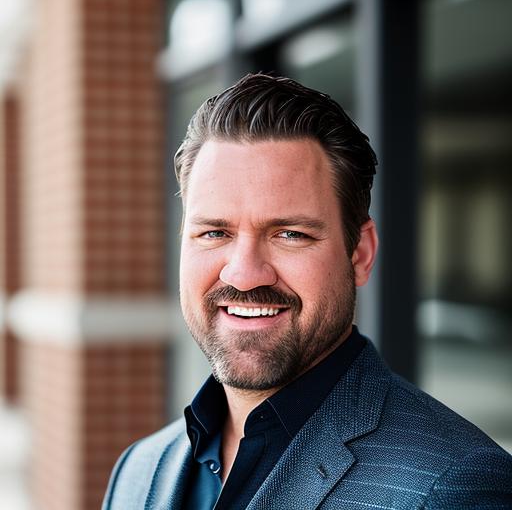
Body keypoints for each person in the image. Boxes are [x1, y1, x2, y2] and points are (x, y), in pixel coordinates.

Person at [102, 74, 512, 510]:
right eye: (215, 232)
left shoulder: (457, 487)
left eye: (290, 234)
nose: (244, 276)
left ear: (360, 254)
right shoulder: (138, 470)